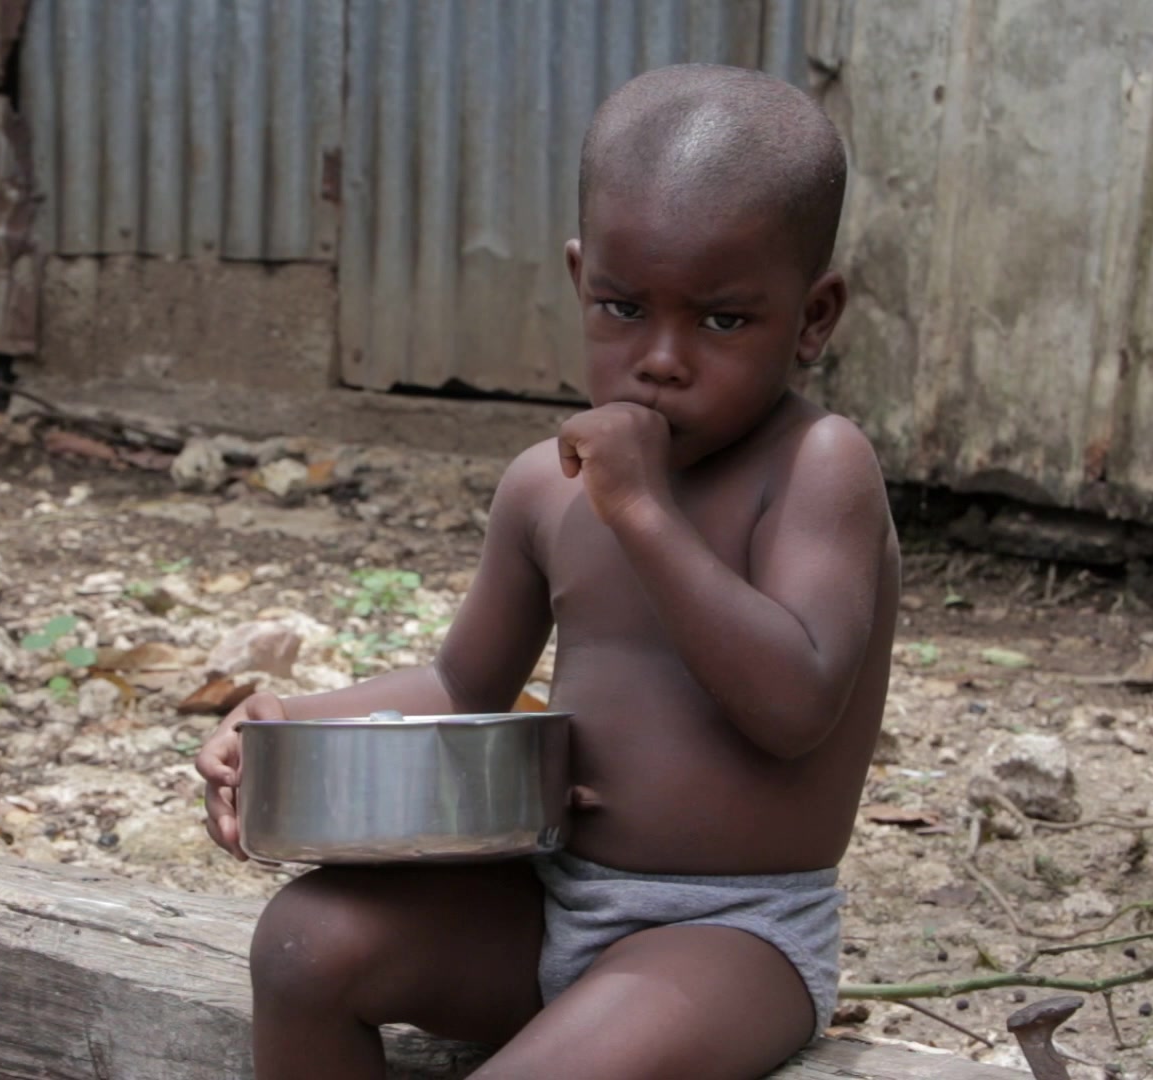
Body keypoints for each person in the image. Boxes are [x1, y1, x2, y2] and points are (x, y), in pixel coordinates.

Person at [195, 63, 900, 1080]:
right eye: (622, 308)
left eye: (722, 320)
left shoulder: (816, 470)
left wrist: (645, 514)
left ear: (816, 316)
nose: (661, 359)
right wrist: (289, 719)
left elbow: (795, 705)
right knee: (305, 946)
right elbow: (457, 688)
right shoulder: (545, 488)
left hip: (735, 937)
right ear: (580, 280)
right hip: (547, 896)